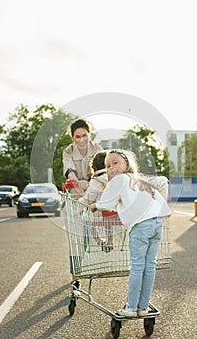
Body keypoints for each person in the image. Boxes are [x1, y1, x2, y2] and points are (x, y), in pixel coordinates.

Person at [90, 149, 171, 317]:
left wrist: (95, 206)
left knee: (137, 267)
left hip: (141, 227)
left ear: (126, 164)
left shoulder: (119, 180)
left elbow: (106, 203)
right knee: (150, 266)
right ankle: (143, 307)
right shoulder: (139, 180)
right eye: (108, 165)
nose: (111, 167)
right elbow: (160, 202)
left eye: (115, 163)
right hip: (157, 224)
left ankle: (132, 308)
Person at [78, 150, 114, 252]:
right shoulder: (115, 177)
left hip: (98, 211)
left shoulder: (96, 181)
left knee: (86, 218)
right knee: (108, 218)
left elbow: (89, 199)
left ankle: (99, 240)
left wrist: (79, 202)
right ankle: (110, 240)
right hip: (115, 210)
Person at [63, 118, 103, 195]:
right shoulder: (68, 151)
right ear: (73, 138)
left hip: (95, 191)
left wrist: (90, 185)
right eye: (78, 137)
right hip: (75, 193)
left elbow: (102, 172)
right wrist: (77, 183)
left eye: (84, 135)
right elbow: (69, 169)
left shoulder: (98, 149)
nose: (82, 140)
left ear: (89, 134)